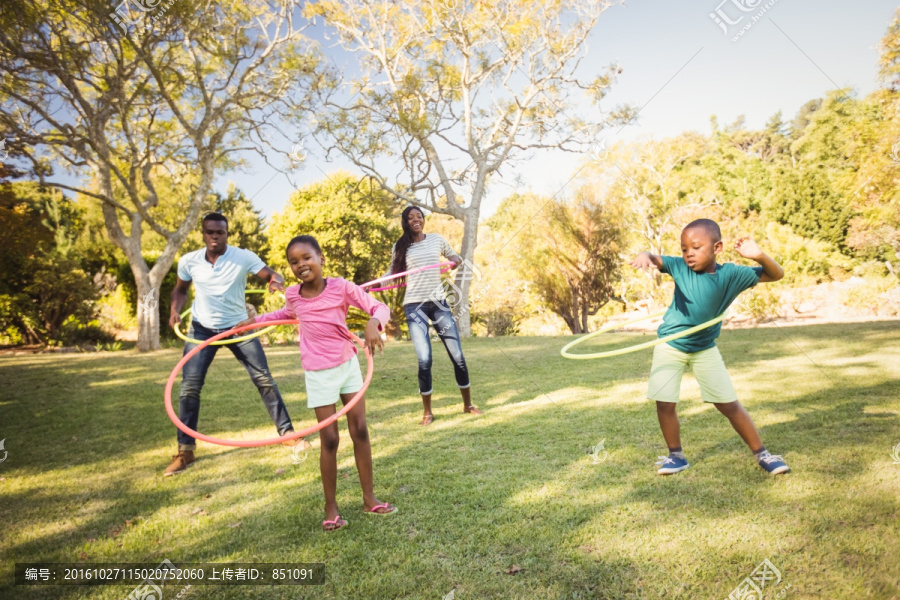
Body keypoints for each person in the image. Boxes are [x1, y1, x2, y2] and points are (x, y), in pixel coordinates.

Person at [238, 235, 397, 531]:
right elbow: (287, 314)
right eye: (294, 262)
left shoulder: (341, 287)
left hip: (347, 365)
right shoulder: (294, 295)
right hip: (318, 373)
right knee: (330, 440)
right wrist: (256, 321)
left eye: (307, 258)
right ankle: (331, 508)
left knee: (360, 430)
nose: (301, 265)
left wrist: (374, 323)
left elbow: (379, 308)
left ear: (321, 258)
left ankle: (369, 498)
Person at [629, 218, 790, 476]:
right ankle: (676, 456)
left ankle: (763, 454)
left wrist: (759, 255)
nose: (688, 254)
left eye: (695, 247)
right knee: (665, 403)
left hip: (704, 348)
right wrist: (644, 255)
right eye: (683, 249)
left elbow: (776, 274)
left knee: (728, 403)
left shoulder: (733, 275)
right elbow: (654, 257)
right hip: (670, 344)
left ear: (717, 247)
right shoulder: (679, 267)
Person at [165, 213, 309, 477]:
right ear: (203, 233)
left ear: (227, 233)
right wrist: (176, 309)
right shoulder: (189, 261)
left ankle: (288, 434)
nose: (214, 237)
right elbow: (181, 289)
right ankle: (185, 451)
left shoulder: (243, 256)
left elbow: (271, 274)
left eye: (220, 232)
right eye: (210, 232)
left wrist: (276, 281)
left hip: (238, 327)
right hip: (201, 329)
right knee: (189, 388)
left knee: (264, 379)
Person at [389, 206, 481, 425]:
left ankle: (468, 405)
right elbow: (392, 273)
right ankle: (427, 412)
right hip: (414, 306)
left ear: (423, 220)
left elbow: (452, 256)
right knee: (424, 359)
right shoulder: (400, 246)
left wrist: (454, 259)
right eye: (410, 218)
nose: (415, 220)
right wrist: (367, 287)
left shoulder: (436, 240)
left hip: (438, 303)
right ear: (405, 222)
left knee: (457, 355)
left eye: (419, 216)